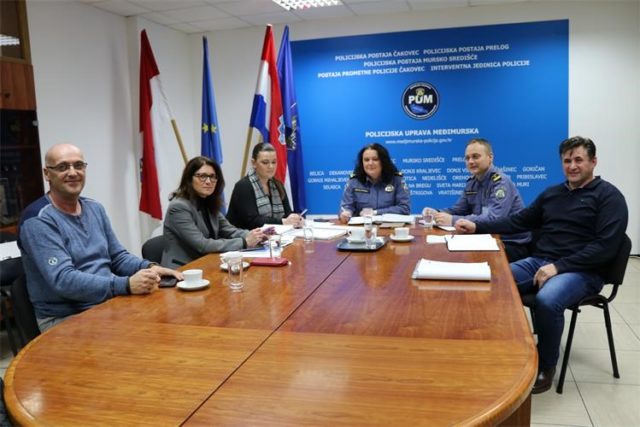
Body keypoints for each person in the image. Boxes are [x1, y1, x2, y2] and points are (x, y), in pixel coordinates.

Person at [455, 136, 628, 394]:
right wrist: (477, 226)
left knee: (547, 300)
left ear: (593, 162)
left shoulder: (609, 197)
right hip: (540, 261)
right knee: (489, 282)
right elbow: (517, 221)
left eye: (578, 160)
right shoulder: (552, 194)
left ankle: (547, 365)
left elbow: (605, 247)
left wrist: (559, 267)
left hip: (583, 270)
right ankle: (503, 347)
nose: (572, 166)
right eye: (567, 161)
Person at [19, 144, 182, 332]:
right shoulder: (38, 220)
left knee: (170, 319)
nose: (72, 172)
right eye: (63, 167)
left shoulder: (94, 208)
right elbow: (63, 280)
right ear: (47, 174)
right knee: (145, 337)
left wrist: (149, 267)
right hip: (65, 318)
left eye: (78, 165)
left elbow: (118, 257)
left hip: (107, 303)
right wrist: (125, 285)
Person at [422, 138, 530, 262]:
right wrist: (437, 213)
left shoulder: (500, 182)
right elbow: (458, 209)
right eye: (467, 158)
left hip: (510, 243)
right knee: (444, 253)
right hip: (486, 238)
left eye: (475, 157)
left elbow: (494, 219)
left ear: (490, 157)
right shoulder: (471, 182)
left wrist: (452, 220)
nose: (471, 161)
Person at [162, 156, 265, 269]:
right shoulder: (179, 207)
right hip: (183, 269)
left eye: (212, 177)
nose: (208, 181)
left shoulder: (207, 202)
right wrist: (244, 242)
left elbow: (229, 230)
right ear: (189, 179)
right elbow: (202, 245)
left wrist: (258, 236)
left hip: (206, 263)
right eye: (202, 176)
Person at [226, 143, 302, 230]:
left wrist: (296, 219)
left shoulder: (278, 184)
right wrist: (282, 222)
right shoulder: (243, 186)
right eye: (265, 162)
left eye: (274, 162)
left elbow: (287, 213)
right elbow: (253, 221)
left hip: (273, 235)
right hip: (244, 236)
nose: (271, 166)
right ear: (254, 163)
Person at [339, 143, 410, 223]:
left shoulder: (397, 180)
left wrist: (375, 213)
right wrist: (346, 213)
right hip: (362, 228)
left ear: (383, 161)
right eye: (366, 160)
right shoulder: (354, 181)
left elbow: (404, 208)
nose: (370, 163)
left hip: (390, 227)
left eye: (375, 159)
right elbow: (346, 206)